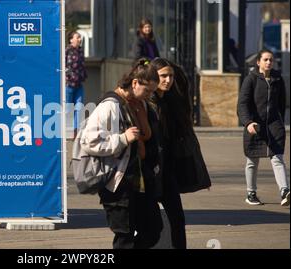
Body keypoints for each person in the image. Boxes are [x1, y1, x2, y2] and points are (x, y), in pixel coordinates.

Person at [79, 58, 162, 249]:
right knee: (124, 237)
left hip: (140, 180)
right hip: (119, 185)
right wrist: (122, 139)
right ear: (134, 83)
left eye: (152, 91)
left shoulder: (141, 104)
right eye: (147, 90)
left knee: (153, 229)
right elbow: (88, 140)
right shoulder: (110, 105)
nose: (150, 95)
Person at [148, 57, 212, 249]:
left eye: (170, 76)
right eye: (163, 76)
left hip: (168, 172)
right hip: (149, 171)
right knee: (147, 224)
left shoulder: (171, 100)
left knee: (177, 218)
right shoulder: (147, 102)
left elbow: (183, 84)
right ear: (152, 77)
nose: (168, 80)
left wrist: (176, 71)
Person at [237, 49, 290, 206]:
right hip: (255, 125)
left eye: (271, 60)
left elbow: (282, 102)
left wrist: (279, 121)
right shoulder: (250, 79)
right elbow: (242, 104)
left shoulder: (277, 78)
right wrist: (248, 123)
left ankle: (285, 191)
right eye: (266, 59)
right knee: (252, 161)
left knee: (277, 158)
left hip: (274, 125)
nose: (269, 62)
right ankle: (251, 193)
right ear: (258, 62)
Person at [65, 31, 87, 136]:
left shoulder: (80, 51)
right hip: (69, 84)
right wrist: (66, 77)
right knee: (68, 108)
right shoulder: (67, 51)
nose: (79, 39)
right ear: (71, 39)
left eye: (80, 37)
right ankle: (60, 130)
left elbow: (82, 66)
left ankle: (76, 132)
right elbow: (62, 65)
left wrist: (84, 76)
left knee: (79, 108)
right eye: (77, 37)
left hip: (79, 85)